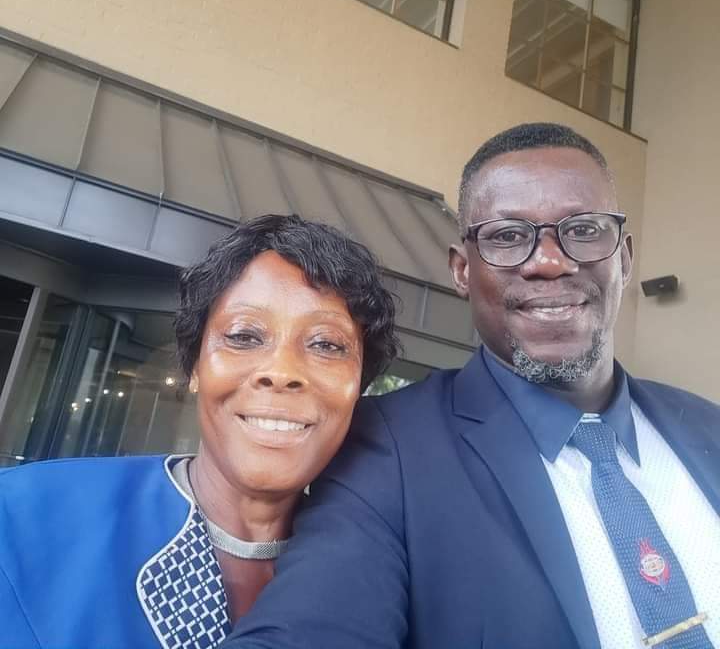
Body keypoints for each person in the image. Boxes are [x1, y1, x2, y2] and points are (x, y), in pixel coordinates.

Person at [223, 123, 720, 649]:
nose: (550, 262)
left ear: (623, 257)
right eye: (507, 236)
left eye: (583, 229)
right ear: (462, 271)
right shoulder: (386, 451)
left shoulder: (709, 428)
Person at [0, 214, 397, 649]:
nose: (282, 372)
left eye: (326, 345)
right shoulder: (22, 520)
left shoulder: (378, 572)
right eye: (244, 336)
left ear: (359, 386)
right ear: (194, 368)